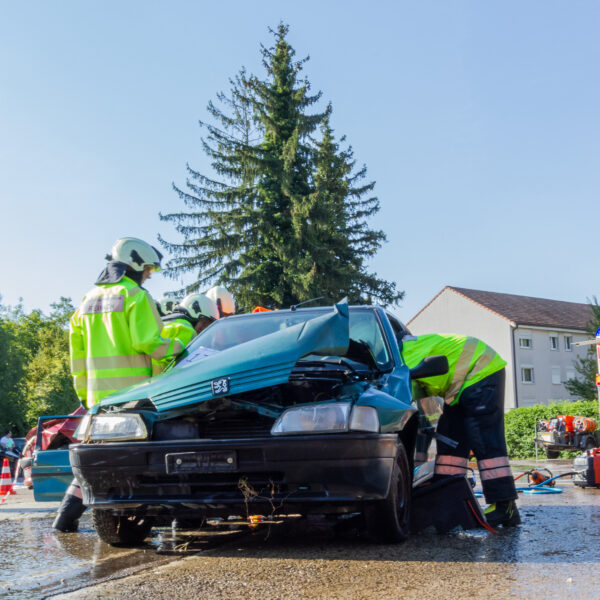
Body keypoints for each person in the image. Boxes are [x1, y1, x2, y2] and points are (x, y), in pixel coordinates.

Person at [54, 237, 185, 532]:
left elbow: (76, 356)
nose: (149, 275)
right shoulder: (136, 296)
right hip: (135, 395)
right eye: (149, 269)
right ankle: (161, 519)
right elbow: (149, 343)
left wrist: (85, 395)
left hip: (99, 398)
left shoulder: (86, 301)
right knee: (144, 460)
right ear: (136, 263)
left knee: (96, 465)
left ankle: (63, 523)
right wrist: (181, 349)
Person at [402, 333, 520, 528]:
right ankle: (449, 502)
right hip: (458, 388)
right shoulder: (401, 350)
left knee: (484, 438)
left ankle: (505, 506)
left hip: (482, 370)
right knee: (450, 440)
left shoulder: (401, 356)